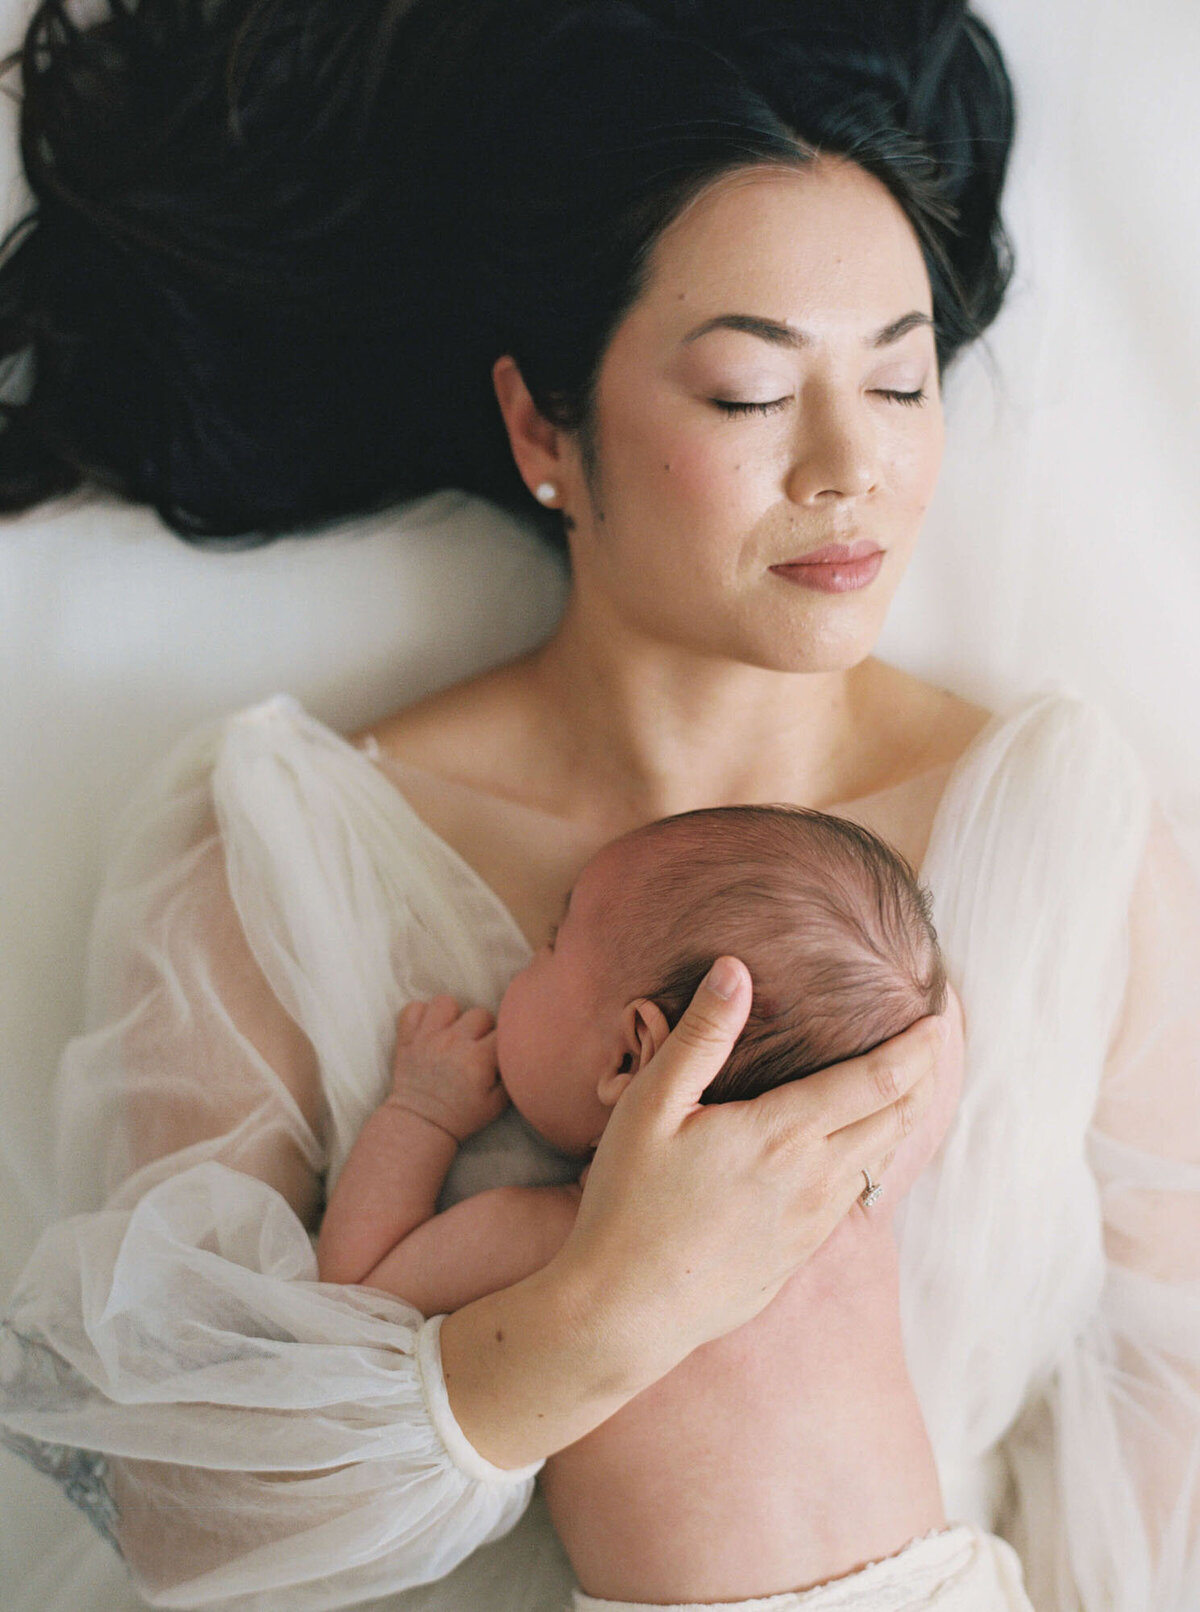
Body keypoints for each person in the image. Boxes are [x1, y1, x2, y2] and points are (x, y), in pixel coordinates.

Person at [0, 3, 1196, 1611]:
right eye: (750, 396)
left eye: (901, 386)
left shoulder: (1059, 835)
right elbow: (169, 1500)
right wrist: (606, 1310)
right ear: (541, 425)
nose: (850, 468)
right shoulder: (291, 857)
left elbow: (1168, 1417)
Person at [316, 803, 1039, 1610]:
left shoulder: (566, 1242)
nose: (525, 959)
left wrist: (420, 1112)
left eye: (550, 946)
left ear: (632, 1052)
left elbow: (357, 1299)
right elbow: (932, 1042)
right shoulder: (847, 1190)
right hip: (937, 1588)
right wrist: (859, 997)